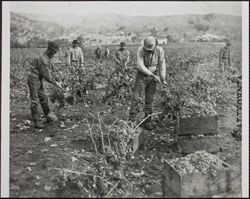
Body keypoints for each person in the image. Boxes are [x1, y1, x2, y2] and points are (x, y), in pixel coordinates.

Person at [129, 36, 167, 130]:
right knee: (136, 97)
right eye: (147, 49)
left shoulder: (159, 50)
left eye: (151, 49)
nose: (149, 51)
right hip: (142, 75)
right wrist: (152, 75)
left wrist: (162, 78)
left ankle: (148, 121)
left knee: (149, 99)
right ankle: (131, 121)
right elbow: (140, 65)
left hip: (153, 74)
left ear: (155, 46)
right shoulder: (140, 50)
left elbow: (162, 64)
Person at [27, 41, 62, 129]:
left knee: (43, 97)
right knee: (34, 100)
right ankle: (36, 122)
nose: (54, 54)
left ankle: (49, 117)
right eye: (54, 52)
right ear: (49, 50)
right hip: (33, 78)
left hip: (38, 79)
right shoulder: (43, 58)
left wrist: (59, 80)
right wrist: (56, 83)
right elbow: (46, 74)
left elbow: (52, 71)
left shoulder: (48, 58)